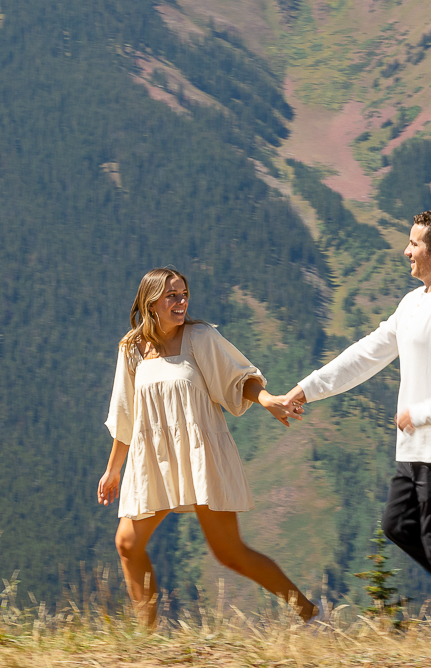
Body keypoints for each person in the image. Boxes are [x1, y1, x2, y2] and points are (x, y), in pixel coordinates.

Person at [279, 210, 431, 629]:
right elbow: (367, 353)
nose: (406, 251)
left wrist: (425, 412)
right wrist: (307, 388)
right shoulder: (414, 302)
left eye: (414, 244)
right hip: (418, 443)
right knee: (400, 525)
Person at [97, 266, 317, 626]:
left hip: (201, 456)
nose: (181, 302)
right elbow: (125, 413)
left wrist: (267, 400)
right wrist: (113, 470)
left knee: (230, 553)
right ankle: (146, 639)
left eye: (184, 294)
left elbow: (238, 379)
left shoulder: (200, 337)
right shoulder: (131, 348)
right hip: (154, 458)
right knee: (127, 544)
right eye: (172, 295)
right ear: (151, 302)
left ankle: (308, 612)